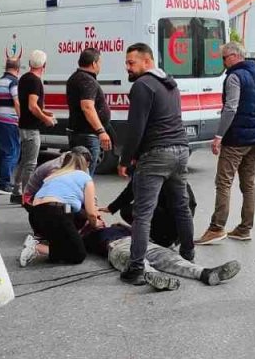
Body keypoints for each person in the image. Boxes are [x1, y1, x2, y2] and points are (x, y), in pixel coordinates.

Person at [116, 43, 195, 286]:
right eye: (127, 63)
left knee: (142, 213)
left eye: (132, 62)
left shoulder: (142, 85)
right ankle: (188, 255)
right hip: (181, 150)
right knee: (180, 206)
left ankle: (137, 267)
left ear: (147, 62)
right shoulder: (170, 84)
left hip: (157, 152)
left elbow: (135, 127)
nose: (127, 67)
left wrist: (126, 159)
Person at [95, 177, 241, 287]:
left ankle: (204, 273)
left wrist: (123, 225)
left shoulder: (124, 227)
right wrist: (93, 224)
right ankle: (153, 275)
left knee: (170, 260)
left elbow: (133, 195)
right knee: (133, 259)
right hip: (119, 245)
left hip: (147, 242)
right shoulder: (93, 234)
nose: (98, 217)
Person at [196, 42, 255, 245]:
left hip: (235, 139)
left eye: (223, 58)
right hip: (254, 139)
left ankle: (216, 228)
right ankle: (245, 228)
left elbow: (231, 108)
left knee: (224, 183)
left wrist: (219, 136)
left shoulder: (234, 77)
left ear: (233, 56)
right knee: (248, 184)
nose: (223, 62)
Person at [19, 151, 102, 266]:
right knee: (78, 255)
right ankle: (37, 248)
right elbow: (91, 212)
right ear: (84, 165)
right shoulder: (85, 177)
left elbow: (71, 208)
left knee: (71, 212)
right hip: (55, 212)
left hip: (35, 214)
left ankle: (53, 246)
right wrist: (95, 223)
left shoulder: (54, 175)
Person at [13, 50, 56, 204]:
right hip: (31, 127)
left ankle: (16, 191)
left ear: (30, 63)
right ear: (44, 65)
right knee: (31, 163)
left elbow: (26, 104)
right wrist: (46, 119)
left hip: (23, 124)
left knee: (24, 161)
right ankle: (27, 196)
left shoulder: (24, 78)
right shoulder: (35, 81)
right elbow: (32, 106)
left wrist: (43, 111)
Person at [66, 48, 112, 176]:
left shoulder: (74, 77)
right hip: (88, 135)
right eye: (100, 63)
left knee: (78, 172)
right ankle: (85, 195)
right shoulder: (87, 80)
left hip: (78, 132)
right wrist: (101, 131)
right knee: (85, 176)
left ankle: (81, 195)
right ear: (93, 63)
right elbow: (87, 107)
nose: (100, 66)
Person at [0, 57, 21, 195]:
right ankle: (4, 183)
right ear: (18, 69)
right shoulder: (13, 82)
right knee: (12, 152)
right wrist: (21, 118)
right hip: (10, 121)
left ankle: (2, 180)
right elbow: (17, 101)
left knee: (4, 152)